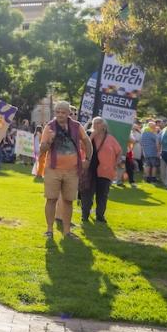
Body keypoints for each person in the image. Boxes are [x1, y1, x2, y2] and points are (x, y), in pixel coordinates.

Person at [39, 101, 91, 240]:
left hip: (72, 170)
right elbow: (42, 149)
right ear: (55, 113)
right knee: (51, 199)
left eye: (63, 112)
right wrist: (49, 141)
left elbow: (87, 142)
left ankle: (67, 231)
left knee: (68, 201)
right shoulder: (49, 127)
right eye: (58, 112)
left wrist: (88, 160)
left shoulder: (76, 126)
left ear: (69, 113)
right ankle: (49, 230)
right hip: (53, 169)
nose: (60, 115)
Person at [80, 117, 122, 224]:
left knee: (102, 194)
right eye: (94, 123)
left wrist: (115, 164)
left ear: (104, 126)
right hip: (90, 170)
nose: (96, 125)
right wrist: (93, 134)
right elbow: (83, 147)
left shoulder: (110, 138)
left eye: (99, 123)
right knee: (87, 194)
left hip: (105, 170)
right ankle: (85, 215)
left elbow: (119, 152)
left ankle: (100, 215)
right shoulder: (88, 135)